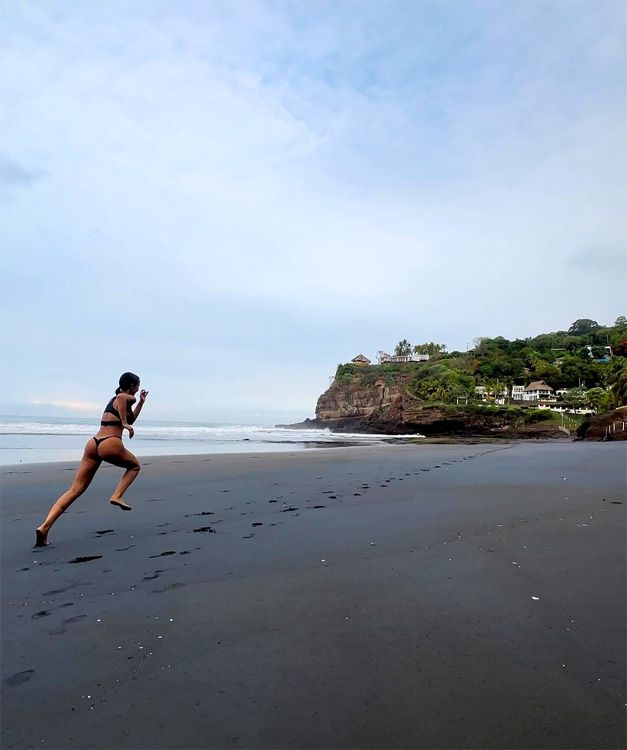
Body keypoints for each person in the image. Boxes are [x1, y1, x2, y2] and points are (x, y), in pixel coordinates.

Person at [35, 372, 149, 547]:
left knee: (75, 489)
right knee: (135, 466)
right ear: (131, 385)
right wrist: (125, 424)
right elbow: (122, 400)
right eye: (137, 386)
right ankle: (117, 495)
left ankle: (44, 527)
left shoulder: (119, 401)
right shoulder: (122, 397)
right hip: (110, 443)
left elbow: (131, 418)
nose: (138, 389)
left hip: (93, 444)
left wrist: (140, 402)